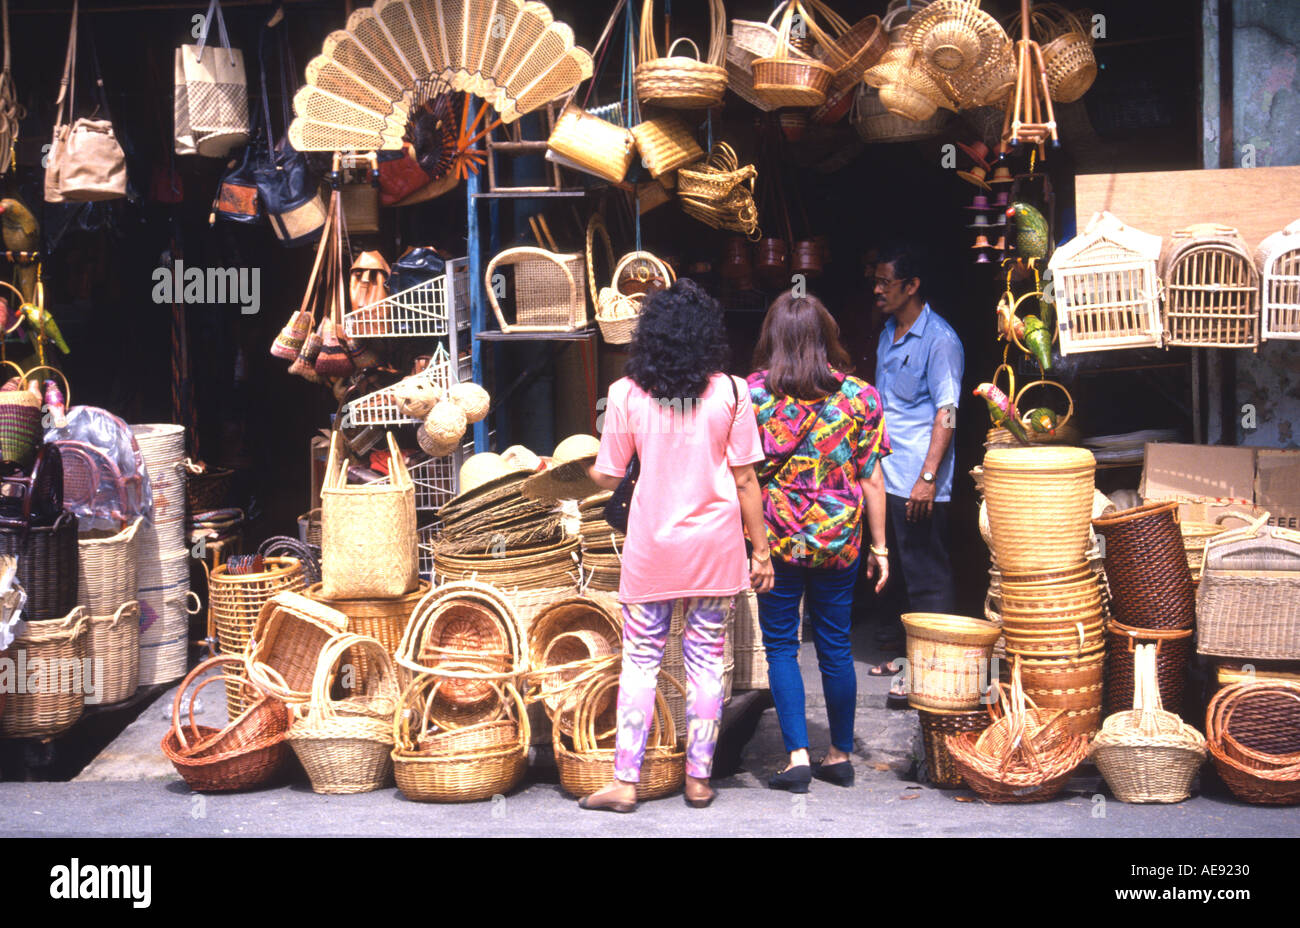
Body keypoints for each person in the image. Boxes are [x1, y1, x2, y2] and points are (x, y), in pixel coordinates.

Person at [583, 279, 774, 813]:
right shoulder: (734, 393)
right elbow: (744, 482)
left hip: (652, 550)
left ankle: (625, 782)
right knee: (707, 663)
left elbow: (607, 474)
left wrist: (568, 472)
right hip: (714, 550)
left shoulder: (624, 395)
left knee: (640, 662)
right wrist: (760, 551)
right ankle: (698, 780)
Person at [748, 291, 891, 793]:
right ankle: (840, 754)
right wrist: (880, 548)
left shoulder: (753, 397)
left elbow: (743, 478)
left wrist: (751, 546)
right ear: (827, 336)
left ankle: (797, 757)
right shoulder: (860, 398)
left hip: (777, 541)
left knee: (783, 646)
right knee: (835, 645)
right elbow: (871, 479)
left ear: (773, 338)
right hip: (839, 542)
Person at [868, 244, 964, 701]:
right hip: (886, 476)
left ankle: (933, 670)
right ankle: (906, 658)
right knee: (900, 572)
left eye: (886, 282)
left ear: (912, 286)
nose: (877, 289)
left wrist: (927, 478)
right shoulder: (888, 333)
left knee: (929, 577)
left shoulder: (940, 339)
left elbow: (947, 412)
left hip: (919, 481)